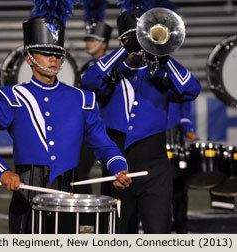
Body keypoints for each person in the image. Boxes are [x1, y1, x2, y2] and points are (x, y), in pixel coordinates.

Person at [0, 0, 131, 234]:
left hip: (69, 199)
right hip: (26, 199)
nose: (54, 59)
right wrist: (2, 170)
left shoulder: (82, 99)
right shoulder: (13, 97)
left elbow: (104, 145)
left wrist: (118, 167)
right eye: (46, 53)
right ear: (29, 57)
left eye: (58, 54)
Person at [81, 0, 201, 233]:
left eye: (142, 40)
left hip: (155, 162)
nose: (140, 46)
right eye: (134, 40)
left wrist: (162, 54)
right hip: (117, 162)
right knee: (120, 233)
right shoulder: (110, 73)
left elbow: (191, 89)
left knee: (158, 233)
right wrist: (125, 49)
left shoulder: (160, 72)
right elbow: (89, 81)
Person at [75, 0, 113, 194]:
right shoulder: (85, 67)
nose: (87, 43)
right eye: (87, 39)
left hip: (103, 126)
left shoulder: (111, 68)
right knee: (79, 171)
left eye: (91, 39)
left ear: (103, 43)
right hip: (85, 126)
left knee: (112, 173)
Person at [167, 101, 197, 234]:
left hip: (175, 145)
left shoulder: (181, 88)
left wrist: (188, 129)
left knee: (179, 188)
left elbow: (184, 115)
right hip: (153, 145)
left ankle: (181, 225)